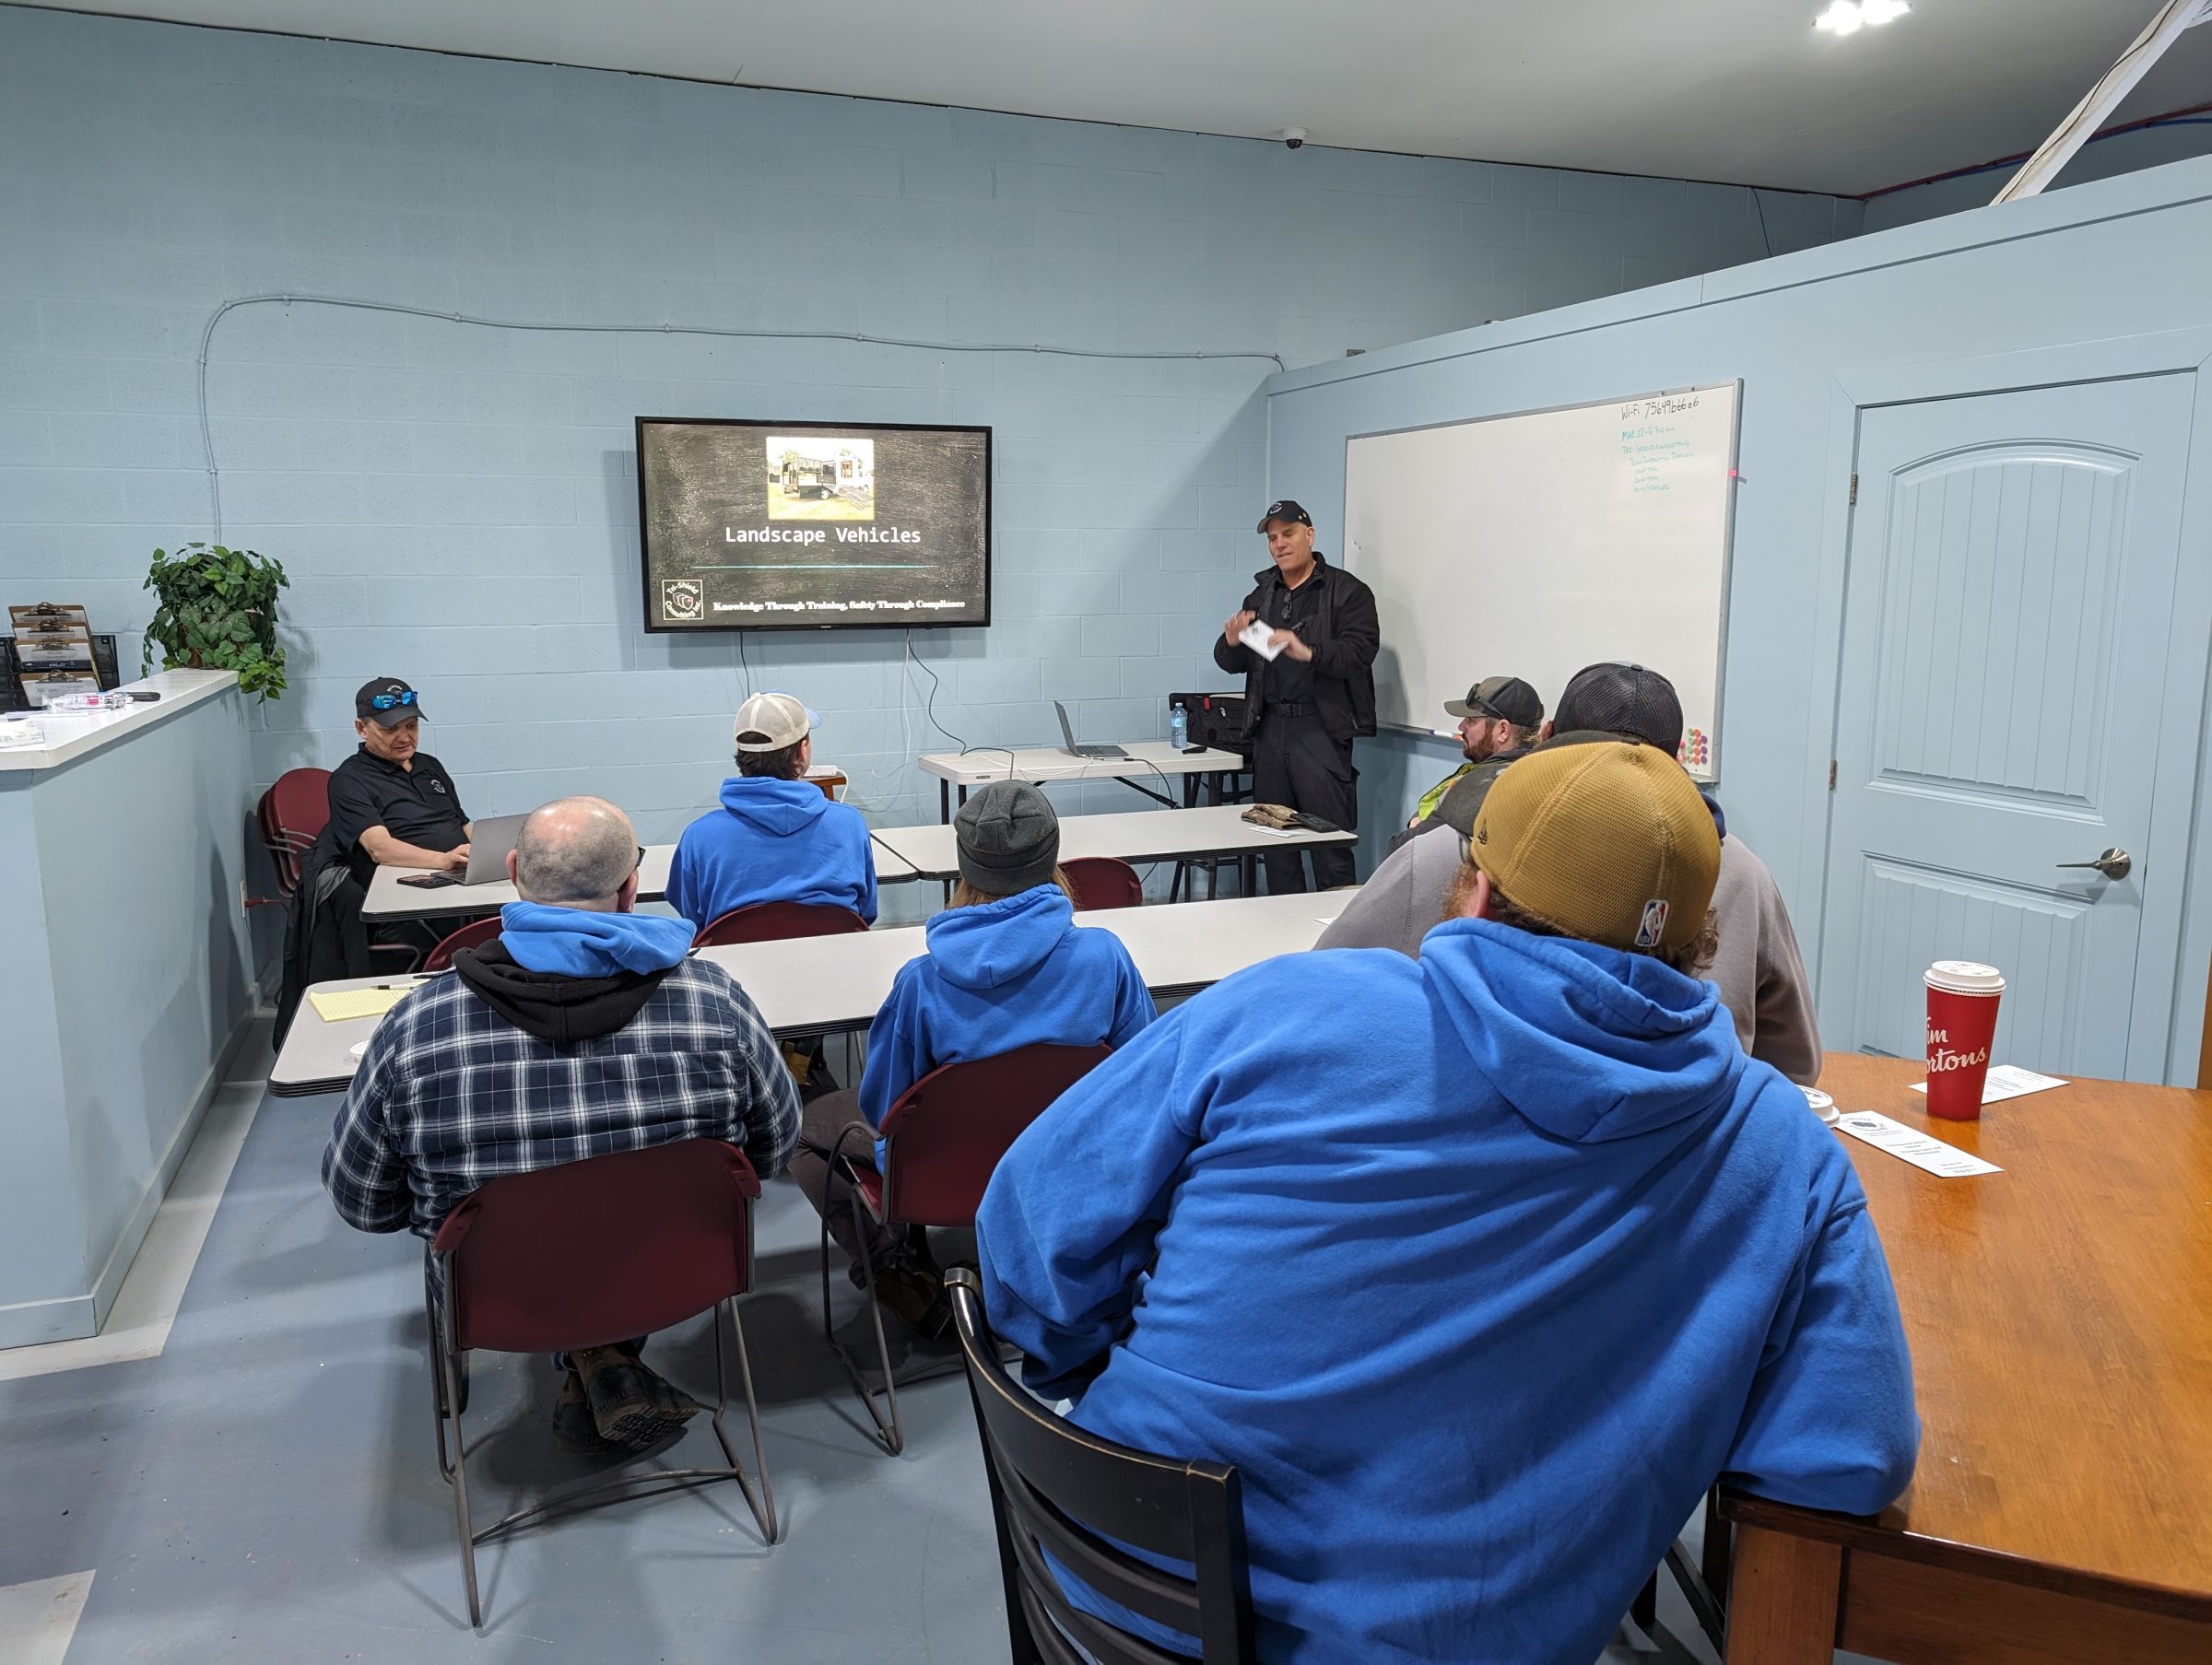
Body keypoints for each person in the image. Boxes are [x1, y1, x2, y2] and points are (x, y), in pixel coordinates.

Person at [978, 743, 1917, 1663]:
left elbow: (1024, 1235)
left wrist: (1097, 1358)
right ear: (1701, 939)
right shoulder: (1783, 1150)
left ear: (1476, 890)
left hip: (1107, 1603)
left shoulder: (1286, 1003)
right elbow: (1847, 1459)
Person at [322, 796, 801, 1454]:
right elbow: (775, 1146)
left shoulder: (416, 1027)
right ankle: (605, 1356)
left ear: (513, 871)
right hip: (679, 1270)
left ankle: (592, 1355)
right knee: (607, 1212)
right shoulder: (715, 1000)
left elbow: (364, 1202)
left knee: (556, 1222)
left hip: (499, 1292)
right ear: (632, 888)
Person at [1320, 660, 1823, 1085]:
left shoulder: (1447, 849)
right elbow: (1796, 1066)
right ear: (1675, 761)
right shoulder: (1743, 874)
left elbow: (1330, 998)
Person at [790, 781, 1154, 1334]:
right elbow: (1141, 1076)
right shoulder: (1106, 957)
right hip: (1065, 1164)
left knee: (801, 1128)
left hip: (949, 1175)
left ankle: (897, 1269)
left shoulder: (921, 983)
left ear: (965, 867)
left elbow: (885, 1107)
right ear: (1053, 855)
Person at [276, 676, 473, 1039]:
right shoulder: (349, 779)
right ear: (361, 728)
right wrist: (444, 860)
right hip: (402, 883)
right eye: (390, 729)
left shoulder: (430, 766)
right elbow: (379, 849)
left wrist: (492, 849)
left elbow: (461, 824)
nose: (404, 737)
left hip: (454, 874)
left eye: (411, 726)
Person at [1212, 499, 1379, 893]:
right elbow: (1232, 661)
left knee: (1327, 842)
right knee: (1274, 839)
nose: (1279, 544)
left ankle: (1335, 937)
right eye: (1272, 538)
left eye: (1288, 534)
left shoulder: (1347, 592)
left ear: (1310, 535)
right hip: (1270, 730)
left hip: (1319, 731)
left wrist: (1309, 652)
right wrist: (1232, 641)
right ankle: (1282, 934)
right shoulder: (1263, 593)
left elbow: (1360, 653)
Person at [666, 690, 878, 931]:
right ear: (803, 751)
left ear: (742, 754)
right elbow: (866, 911)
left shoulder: (699, 835)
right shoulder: (849, 823)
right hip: (837, 962)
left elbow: (693, 918)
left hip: (733, 966)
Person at [1404, 674, 1544, 831]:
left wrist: (1415, 825)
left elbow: (1405, 845)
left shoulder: (1481, 789)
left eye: (1471, 720)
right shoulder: (1533, 773)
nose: (1461, 726)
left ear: (1503, 730)